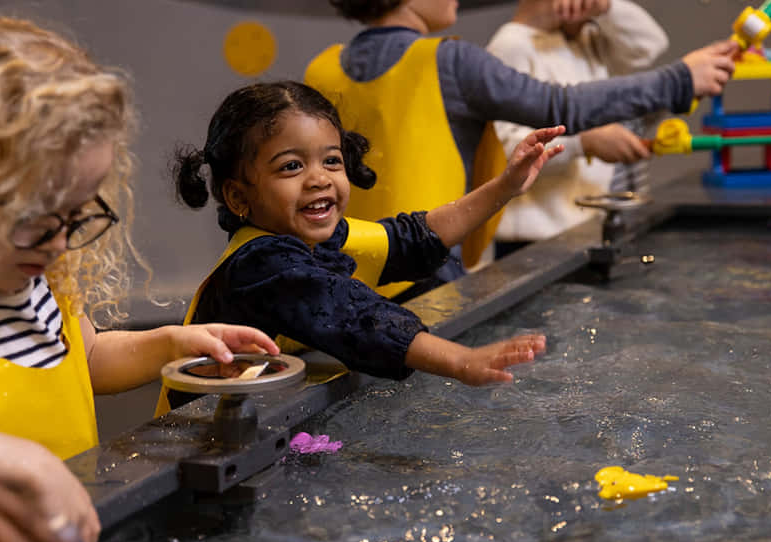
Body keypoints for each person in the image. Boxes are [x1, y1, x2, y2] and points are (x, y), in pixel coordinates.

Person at [0, 14, 279, 542]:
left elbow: (84, 359)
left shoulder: (41, 280)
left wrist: (167, 345)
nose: (61, 244)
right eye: (37, 219)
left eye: (78, 213)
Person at [156, 81, 559, 414]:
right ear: (238, 196)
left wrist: (506, 186)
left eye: (331, 161)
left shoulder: (322, 239)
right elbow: (355, 315)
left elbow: (412, 240)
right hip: (201, 445)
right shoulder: (261, 264)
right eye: (291, 167)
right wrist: (461, 359)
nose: (319, 179)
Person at [305, 0, 737, 284]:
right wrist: (679, 79)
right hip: (424, 284)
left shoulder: (319, 69)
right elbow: (559, 106)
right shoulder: (450, 60)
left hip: (339, 280)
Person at [488, 0, 668, 258]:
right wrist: (584, 142)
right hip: (533, 241)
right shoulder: (511, 46)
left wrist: (606, 8)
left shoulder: (583, 39)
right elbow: (502, 149)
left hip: (582, 228)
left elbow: (651, 45)